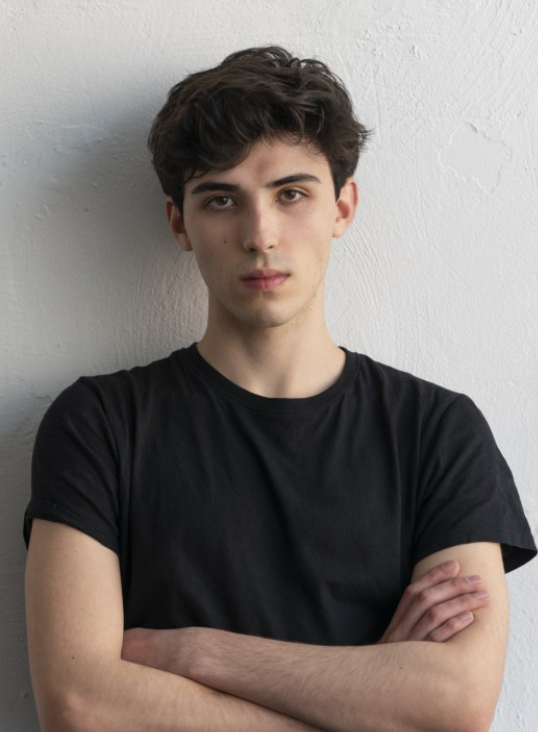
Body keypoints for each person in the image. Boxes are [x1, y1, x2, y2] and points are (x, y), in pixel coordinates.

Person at [24, 46, 536, 732]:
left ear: (342, 208)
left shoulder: (437, 428)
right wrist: (369, 698)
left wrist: (197, 652)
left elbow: (457, 703)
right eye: (221, 199)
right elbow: (80, 706)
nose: (260, 234)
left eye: (291, 194)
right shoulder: (100, 423)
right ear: (179, 223)